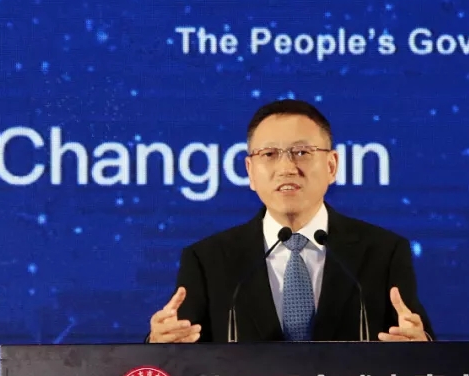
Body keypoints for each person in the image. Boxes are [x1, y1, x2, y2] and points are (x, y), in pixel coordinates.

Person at [148, 99, 434, 343]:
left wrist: (421, 347)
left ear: (332, 165)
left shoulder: (383, 252)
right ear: (250, 171)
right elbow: (180, 361)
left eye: (302, 153)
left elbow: (417, 345)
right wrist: (160, 344)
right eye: (269, 154)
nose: (286, 168)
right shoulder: (207, 260)